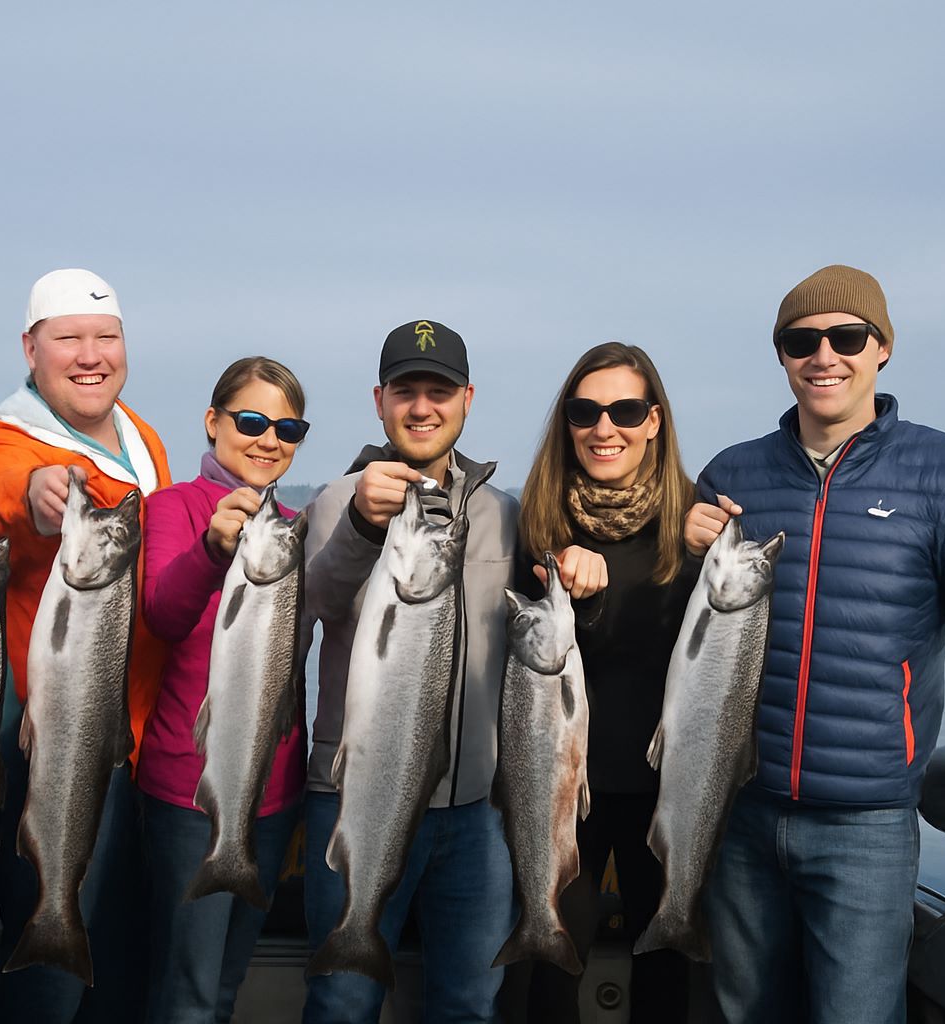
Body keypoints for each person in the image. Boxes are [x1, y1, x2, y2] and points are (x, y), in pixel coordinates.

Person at [685, 265, 945, 1023]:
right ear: (782, 355)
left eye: (845, 337)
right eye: (801, 340)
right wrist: (678, 548)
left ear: (881, 347)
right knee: (741, 1011)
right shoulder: (732, 475)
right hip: (737, 809)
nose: (823, 355)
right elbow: (683, 635)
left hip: (867, 826)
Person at [0, 268, 172, 1023]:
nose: (91, 355)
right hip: (54, 742)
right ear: (31, 348)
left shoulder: (143, 437)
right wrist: (37, 491)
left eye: (106, 337)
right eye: (69, 339)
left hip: (137, 745)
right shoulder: (6, 435)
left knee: (119, 964)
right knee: (50, 971)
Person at [302, 320, 520, 1024]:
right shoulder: (336, 499)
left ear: (467, 399)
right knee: (341, 1002)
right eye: (405, 391)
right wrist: (364, 527)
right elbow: (308, 608)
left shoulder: (504, 514)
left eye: (439, 391)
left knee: (469, 1005)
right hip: (353, 797)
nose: (422, 407)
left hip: (475, 812)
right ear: (379, 401)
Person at [501, 342, 699, 1022]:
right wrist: (560, 570)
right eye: (585, 411)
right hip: (558, 792)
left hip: (667, 794)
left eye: (624, 409)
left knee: (669, 976)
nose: (603, 426)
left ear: (654, 421)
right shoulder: (537, 521)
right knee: (545, 979)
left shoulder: (692, 524)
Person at [137, 356, 310, 1023]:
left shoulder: (295, 527)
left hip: (275, 796)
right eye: (252, 421)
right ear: (213, 423)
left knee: (228, 986)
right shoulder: (174, 508)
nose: (269, 439)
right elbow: (163, 614)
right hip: (189, 793)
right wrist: (213, 548)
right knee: (188, 993)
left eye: (288, 428)